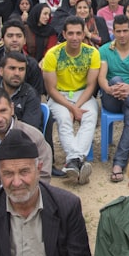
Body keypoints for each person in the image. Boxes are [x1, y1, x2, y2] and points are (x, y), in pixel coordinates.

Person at [42, 16, 99, 184]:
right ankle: (77, 161)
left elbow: (91, 86)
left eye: (78, 33)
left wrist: (77, 107)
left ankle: (73, 161)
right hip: (59, 95)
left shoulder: (92, 53)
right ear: (64, 34)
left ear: (84, 35)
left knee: (90, 116)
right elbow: (50, 89)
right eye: (71, 33)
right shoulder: (53, 54)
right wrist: (71, 108)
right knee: (64, 118)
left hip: (83, 94)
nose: (75, 37)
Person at [98, 16, 129, 182]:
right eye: (118, 31)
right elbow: (102, 79)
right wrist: (110, 89)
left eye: (125, 31)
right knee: (115, 79)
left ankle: (118, 164)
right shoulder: (105, 50)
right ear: (113, 31)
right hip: (111, 97)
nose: (121, 35)